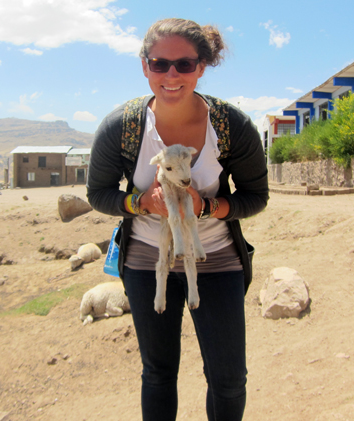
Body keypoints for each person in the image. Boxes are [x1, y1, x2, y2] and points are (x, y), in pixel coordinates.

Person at [87, 18, 269, 421]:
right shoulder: (123, 127)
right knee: (158, 373)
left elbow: (256, 198)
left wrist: (206, 208)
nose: (171, 75)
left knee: (228, 379)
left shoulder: (231, 125)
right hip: (146, 262)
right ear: (144, 66)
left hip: (216, 259)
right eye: (159, 64)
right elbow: (98, 194)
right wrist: (141, 202)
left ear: (202, 67)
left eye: (184, 65)